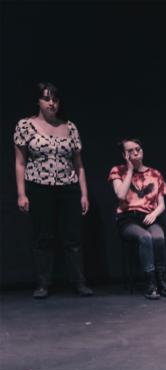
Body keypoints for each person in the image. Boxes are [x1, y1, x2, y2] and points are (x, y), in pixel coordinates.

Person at [13, 82, 93, 298]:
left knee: (73, 237)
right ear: (38, 101)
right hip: (39, 187)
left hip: (68, 186)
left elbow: (79, 164)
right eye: (46, 99)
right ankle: (42, 284)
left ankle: (79, 282)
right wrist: (21, 193)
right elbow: (20, 162)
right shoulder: (25, 125)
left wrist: (84, 193)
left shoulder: (70, 127)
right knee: (43, 236)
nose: (51, 103)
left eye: (55, 99)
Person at [108, 138, 166, 299]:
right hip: (127, 218)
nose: (135, 152)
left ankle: (161, 280)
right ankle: (150, 283)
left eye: (137, 149)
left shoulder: (155, 174)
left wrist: (154, 214)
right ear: (124, 155)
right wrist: (130, 170)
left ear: (142, 151)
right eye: (130, 150)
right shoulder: (118, 171)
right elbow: (120, 195)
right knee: (145, 237)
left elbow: (162, 204)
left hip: (148, 216)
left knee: (158, 238)